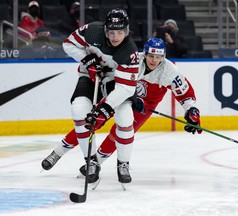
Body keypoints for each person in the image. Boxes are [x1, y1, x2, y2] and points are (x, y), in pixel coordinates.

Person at [41, 38, 201, 183]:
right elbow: (112, 76)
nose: (154, 60)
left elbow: (184, 93)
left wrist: (192, 111)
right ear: (144, 54)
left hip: (144, 107)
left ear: (163, 57)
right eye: (151, 56)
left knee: (120, 132)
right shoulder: (132, 60)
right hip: (121, 95)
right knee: (92, 121)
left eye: (158, 57)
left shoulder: (169, 71)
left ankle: (96, 163)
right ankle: (57, 153)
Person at [41, 8, 139, 185]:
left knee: (125, 117)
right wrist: (87, 60)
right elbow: (68, 44)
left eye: (120, 32)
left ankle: (123, 163)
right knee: (79, 110)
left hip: (115, 82)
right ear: (105, 29)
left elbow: (126, 87)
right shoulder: (92, 31)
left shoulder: (129, 51)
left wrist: (105, 107)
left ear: (126, 30)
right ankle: (91, 161)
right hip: (89, 76)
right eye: (111, 32)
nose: (115, 37)